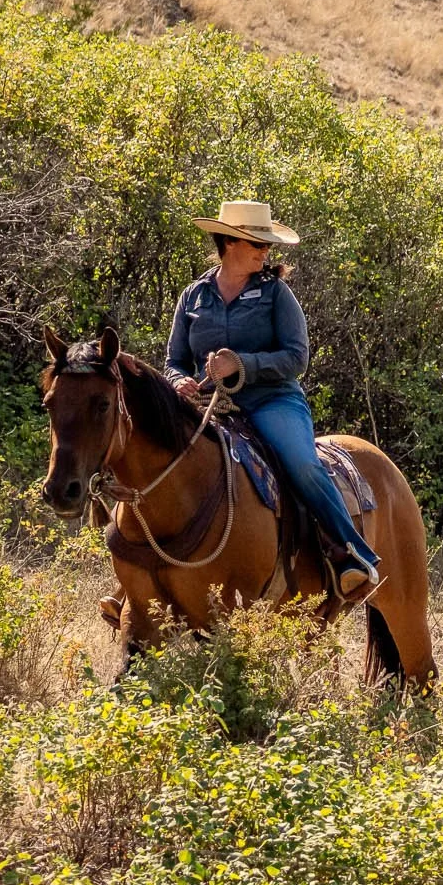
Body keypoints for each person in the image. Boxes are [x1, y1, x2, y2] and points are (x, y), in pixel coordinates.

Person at [164, 200, 380, 600]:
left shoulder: (275, 293)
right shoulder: (193, 296)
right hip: (210, 405)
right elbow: (174, 361)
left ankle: (351, 555)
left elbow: (297, 357)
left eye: (266, 246)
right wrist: (179, 382)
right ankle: (140, 581)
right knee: (158, 462)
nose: (265, 253)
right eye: (257, 244)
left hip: (272, 401)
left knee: (302, 464)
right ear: (229, 243)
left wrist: (241, 363)